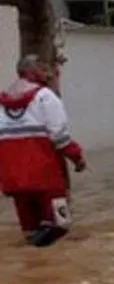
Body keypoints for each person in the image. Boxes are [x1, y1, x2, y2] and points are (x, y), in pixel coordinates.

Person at [0, 54, 86, 247]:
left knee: (29, 232)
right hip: (46, 178)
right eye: (45, 69)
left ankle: (32, 269)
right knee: (60, 227)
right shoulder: (45, 97)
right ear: (35, 70)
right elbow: (60, 136)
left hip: (15, 181)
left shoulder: (2, 102)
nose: (48, 74)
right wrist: (78, 158)